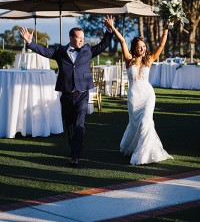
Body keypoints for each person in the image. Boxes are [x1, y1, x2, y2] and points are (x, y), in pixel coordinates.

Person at [20, 16, 114, 167]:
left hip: (82, 93)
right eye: (78, 38)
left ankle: (75, 156)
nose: (81, 41)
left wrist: (109, 30)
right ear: (71, 38)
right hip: (66, 95)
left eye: (83, 38)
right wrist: (30, 42)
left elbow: (103, 45)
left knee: (79, 124)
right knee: (69, 125)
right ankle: (73, 148)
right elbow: (44, 51)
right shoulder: (60, 51)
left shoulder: (87, 50)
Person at [104, 19, 174, 165]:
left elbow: (161, 45)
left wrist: (166, 29)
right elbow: (122, 40)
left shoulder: (149, 59)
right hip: (134, 97)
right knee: (135, 123)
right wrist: (112, 27)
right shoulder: (129, 59)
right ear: (134, 48)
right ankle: (133, 147)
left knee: (145, 122)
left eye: (143, 46)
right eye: (138, 47)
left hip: (148, 95)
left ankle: (144, 154)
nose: (141, 49)